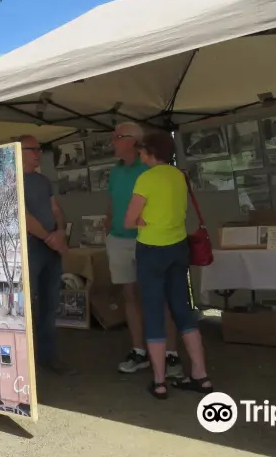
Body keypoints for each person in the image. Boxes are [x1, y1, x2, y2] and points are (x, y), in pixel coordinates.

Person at [124, 131, 213, 399]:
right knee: (183, 310)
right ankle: (201, 374)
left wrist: (141, 222)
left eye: (142, 152)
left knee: (153, 312)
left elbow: (129, 220)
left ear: (151, 152)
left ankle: (160, 380)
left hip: (152, 250)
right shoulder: (180, 176)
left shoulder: (146, 178)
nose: (140, 156)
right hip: (178, 249)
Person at [106, 122, 183, 378]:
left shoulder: (151, 168)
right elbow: (113, 204)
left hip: (150, 241)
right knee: (130, 297)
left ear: (133, 141)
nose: (112, 142)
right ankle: (138, 351)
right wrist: (108, 228)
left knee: (160, 298)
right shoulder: (115, 172)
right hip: (119, 239)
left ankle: (170, 354)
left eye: (116, 137)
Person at [20, 135, 74, 375]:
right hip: (31, 246)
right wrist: (48, 237)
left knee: (50, 304)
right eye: (33, 149)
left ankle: (48, 357)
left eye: (39, 149)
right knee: (25, 305)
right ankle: (25, 362)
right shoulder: (12, 180)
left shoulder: (43, 180)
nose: (38, 153)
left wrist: (60, 231)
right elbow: (25, 215)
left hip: (49, 246)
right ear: (19, 151)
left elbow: (56, 209)